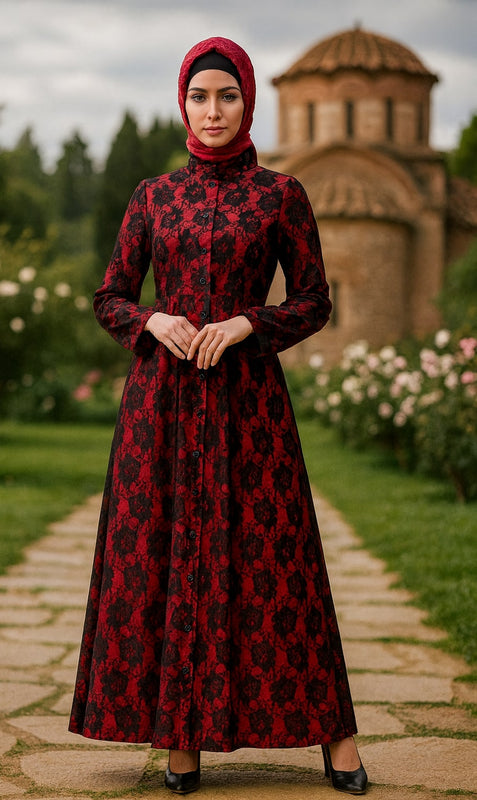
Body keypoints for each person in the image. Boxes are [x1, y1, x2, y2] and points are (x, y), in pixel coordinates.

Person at [69, 36, 368, 796]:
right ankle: (180, 745)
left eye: (226, 96)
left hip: (250, 408)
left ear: (247, 104)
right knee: (165, 559)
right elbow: (108, 295)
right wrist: (150, 322)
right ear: (183, 104)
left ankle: (337, 742)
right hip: (159, 411)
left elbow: (312, 301)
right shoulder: (152, 196)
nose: (211, 111)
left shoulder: (281, 194)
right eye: (199, 97)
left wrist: (246, 325)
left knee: (280, 563)